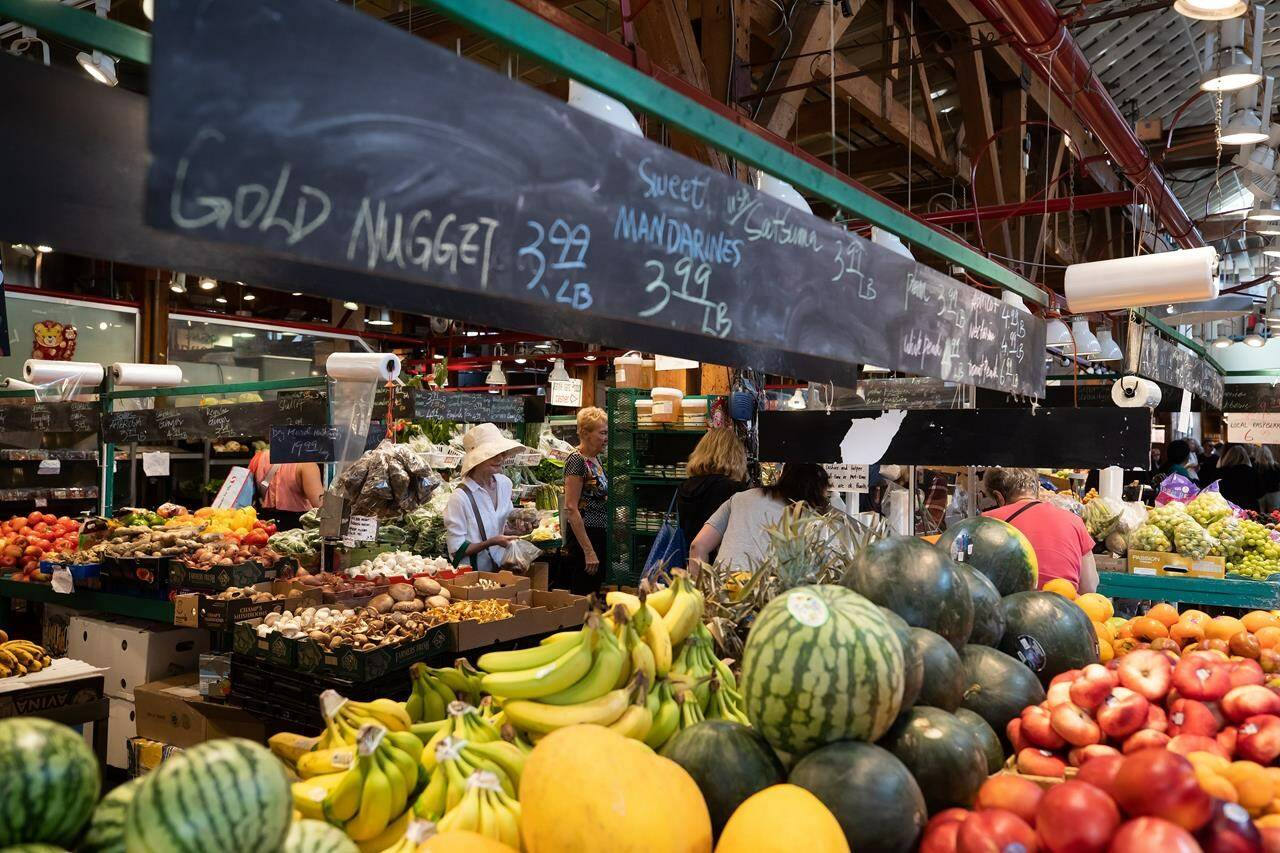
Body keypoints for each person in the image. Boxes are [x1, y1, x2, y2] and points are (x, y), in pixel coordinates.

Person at [688, 463, 830, 573]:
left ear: (782, 476)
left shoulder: (741, 498)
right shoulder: (813, 518)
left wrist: (700, 594)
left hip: (725, 593)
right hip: (772, 599)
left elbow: (698, 546)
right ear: (819, 490)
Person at [981, 466, 1098, 594]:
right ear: (1037, 486)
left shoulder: (987, 523)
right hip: (1064, 608)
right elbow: (1089, 587)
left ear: (998, 496)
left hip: (1012, 609)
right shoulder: (1074, 521)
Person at [444, 423, 524, 571]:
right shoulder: (460, 497)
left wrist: (517, 529)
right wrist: (491, 542)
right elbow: (456, 549)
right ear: (477, 460)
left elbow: (502, 526)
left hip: (503, 568)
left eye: (502, 453)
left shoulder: (504, 484)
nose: (500, 458)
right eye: (493, 454)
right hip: (472, 576)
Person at [562, 406, 609, 596]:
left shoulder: (596, 459)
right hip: (584, 536)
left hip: (598, 534)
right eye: (602, 433)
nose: (606, 438)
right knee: (583, 596)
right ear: (586, 433)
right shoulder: (577, 460)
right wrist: (588, 551)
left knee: (594, 593)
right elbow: (571, 508)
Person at [675, 428, 748, 549]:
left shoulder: (685, 486)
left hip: (691, 558)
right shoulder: (732, 489)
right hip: (722, 562)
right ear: (735, 455)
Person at [247, 449, 324, 530]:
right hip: (294, 531)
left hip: (263, 527)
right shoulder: (306, 464)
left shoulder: (259, 457)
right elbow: (320, 506)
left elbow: (248, 492)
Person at [1213, 445, 1260, 512]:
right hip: (1249, 509)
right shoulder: (1252, 471)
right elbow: (1260, 492)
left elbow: (1215, 490)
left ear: (1228, 456)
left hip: (1227, 508)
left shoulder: (1221, 471)